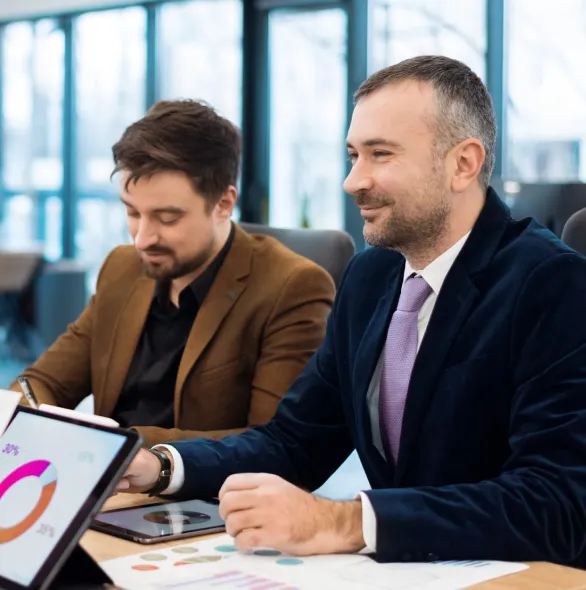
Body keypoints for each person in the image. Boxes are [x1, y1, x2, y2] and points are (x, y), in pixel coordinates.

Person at [117, 56, 586, 567]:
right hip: (409, 571)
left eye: (380, 154)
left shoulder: (552, 283)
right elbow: (295, 441)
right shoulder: (370, 276)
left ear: (463, 164)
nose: (353, 181)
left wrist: (344, 521)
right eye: (353, 155)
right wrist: (159, 466)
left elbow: (558, 503)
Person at [13, 100, 335, 447]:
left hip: (199, 480)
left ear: (224, 204)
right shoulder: (122, 267)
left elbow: (272, 443)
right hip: (103, 471)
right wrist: (35, 417)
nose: (142, 239)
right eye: (132, 213)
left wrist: (114, 444)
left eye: (167, 218)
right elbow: (42, 382)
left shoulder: (292, 287)